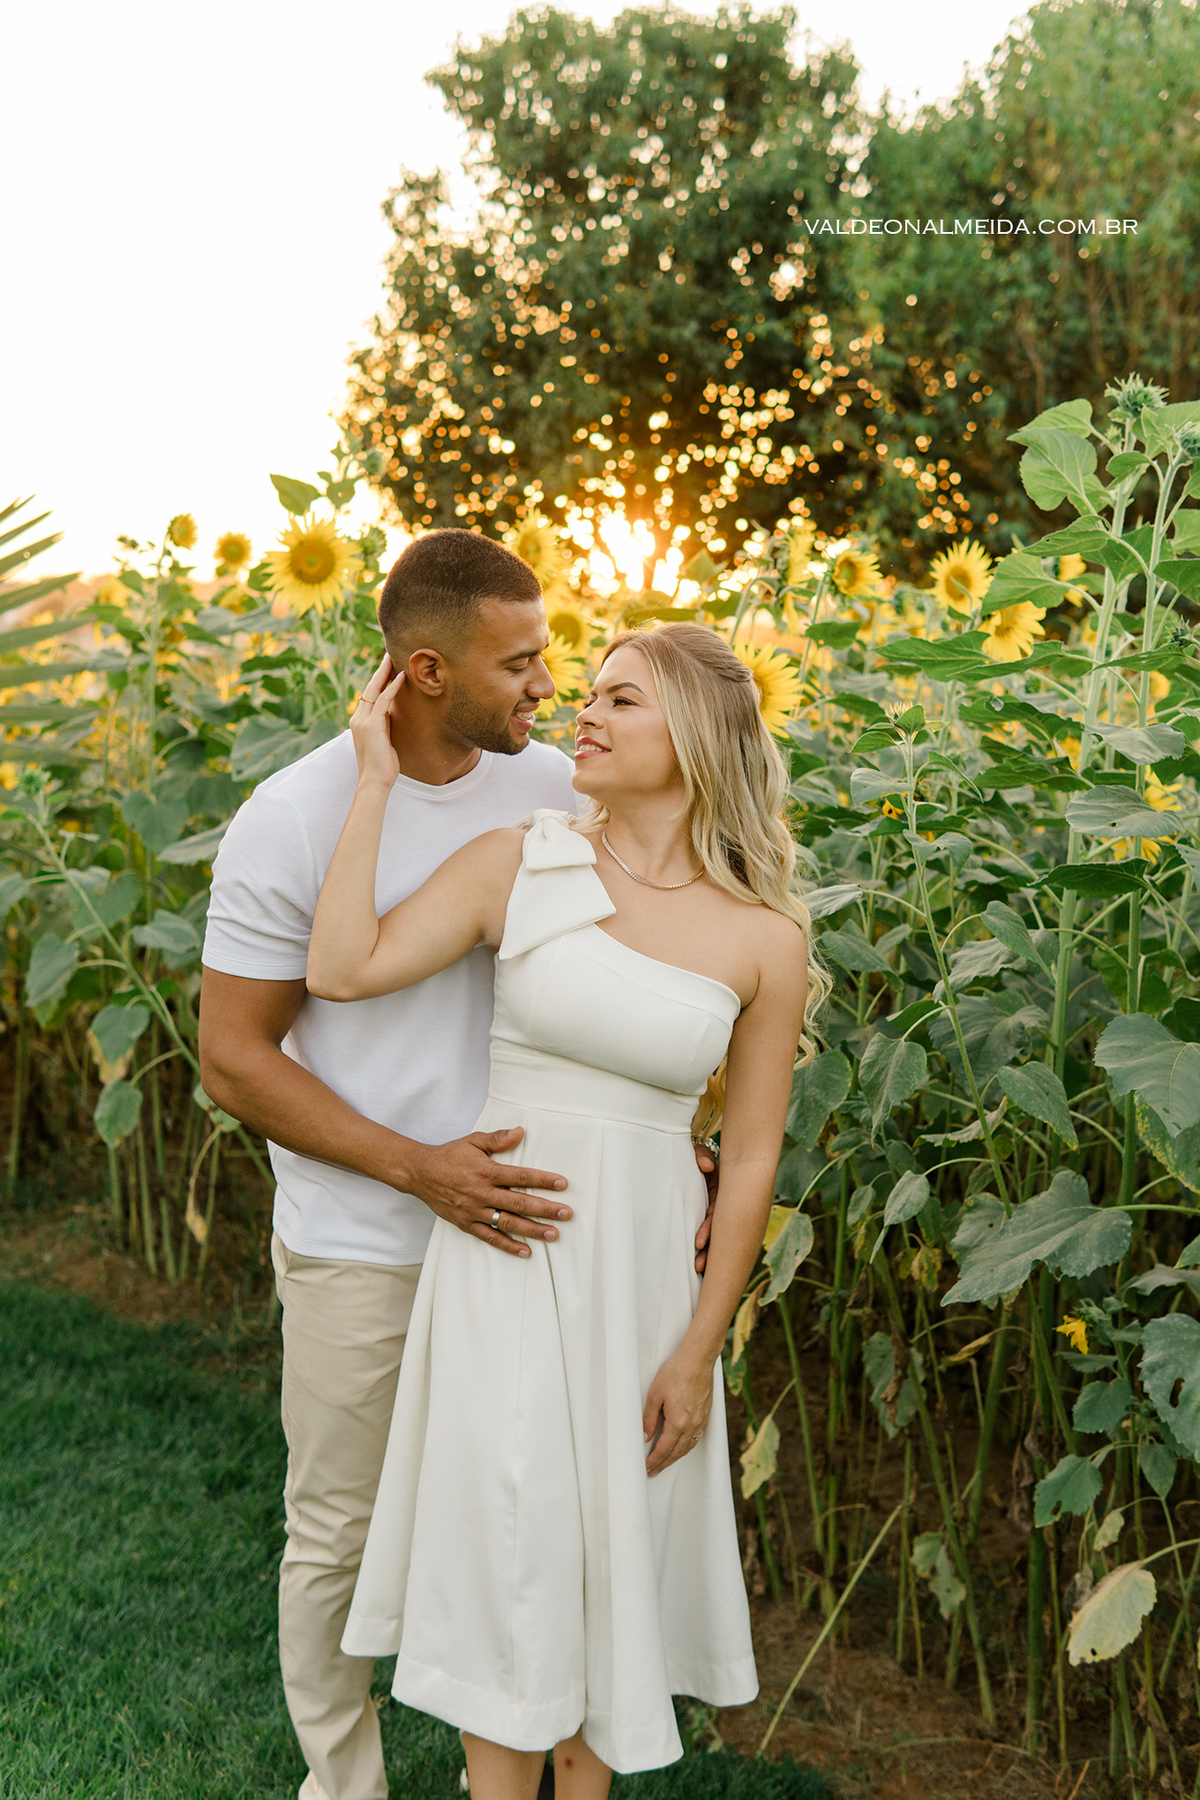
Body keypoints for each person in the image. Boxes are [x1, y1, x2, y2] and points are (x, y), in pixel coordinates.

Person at [198, 529, 716, 1800]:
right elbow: (234, 1057)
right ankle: (348, 1783)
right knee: (343, 1532)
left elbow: (630, 970)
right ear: (425, 672)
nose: (549, 688)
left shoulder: (554, 789)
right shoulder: (296, 817)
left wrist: (679, 1143)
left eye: (552, 660)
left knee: (534, 1523)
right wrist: (415, 1168)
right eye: (521, 663)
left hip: (539, 1239)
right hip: (366, 1232)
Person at [307, 622, 823, 1800]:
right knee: (513, 1558)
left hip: (646, 1289)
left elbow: (748, 1162)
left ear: (693, 738)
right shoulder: (520, 860)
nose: (582, 712)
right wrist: (373, 782)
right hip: (507, 1261)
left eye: (620, 699)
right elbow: (340, 967)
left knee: (607, 1571)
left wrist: (699, 1348)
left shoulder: (766, 936)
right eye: (586, 693)